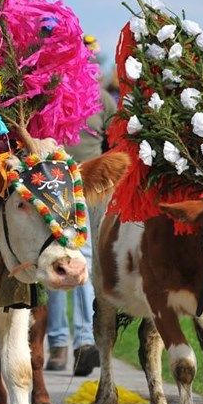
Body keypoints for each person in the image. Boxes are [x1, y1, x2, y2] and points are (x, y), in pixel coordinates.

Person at [45, 86, 116, 376]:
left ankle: (85, 342)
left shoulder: (101, 97)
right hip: (52, 185)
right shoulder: (49, 91)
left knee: (81, 260)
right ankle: (59, 343)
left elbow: (115, 140)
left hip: (87, 188)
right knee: (54, 261)